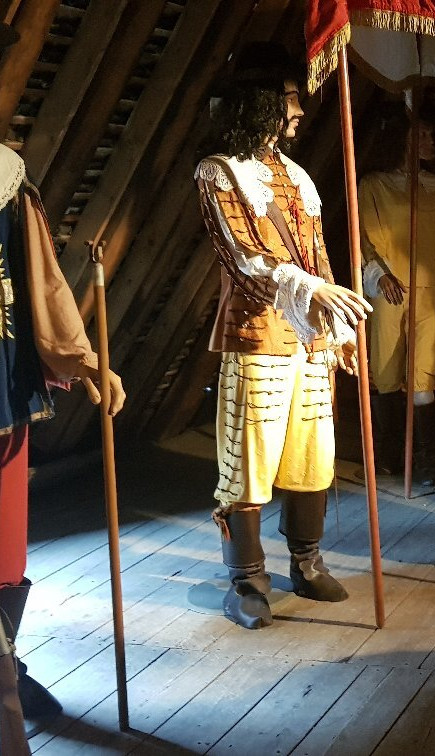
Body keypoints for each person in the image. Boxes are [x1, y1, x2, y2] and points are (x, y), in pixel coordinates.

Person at [195, 43, 371, 629]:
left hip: (307, 338)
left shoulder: (297, 176)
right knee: (248, 457)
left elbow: (316, 257)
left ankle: (307, 562)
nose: (298, 112)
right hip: (257, 333)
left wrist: (337, 330)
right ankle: (247, 579)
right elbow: (242, 256)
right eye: (288, 100)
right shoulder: (219, 172)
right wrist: (311, 290)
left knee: (312, 452)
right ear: (260, 103)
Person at [0, 20, 126, 731]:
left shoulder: (5, 177)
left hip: (2, 387)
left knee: (4, 545)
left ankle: (3, 669)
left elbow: (41, 286)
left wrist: (85, 361)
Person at [359, 102, 435, 485]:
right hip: (389, 291)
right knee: (386, 370)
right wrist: (379, 275)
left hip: (428, 292)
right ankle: (389, 452)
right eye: (420, 133)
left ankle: (424, 458)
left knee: (423, 373)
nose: (429, 140)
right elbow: (364, 237)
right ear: (401, 138)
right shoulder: (374, 185)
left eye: (430, 134)